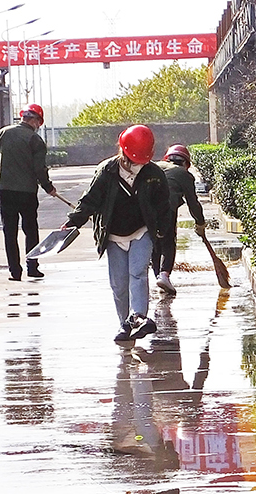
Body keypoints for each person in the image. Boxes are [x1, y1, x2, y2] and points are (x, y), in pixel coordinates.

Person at [64, 124, 172, 344]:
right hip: (113, 235)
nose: (137, 165)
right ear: (123, 152)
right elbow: (90, 200)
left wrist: (161, 231)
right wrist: (73, 221)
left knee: (138, 273)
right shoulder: (107, 171)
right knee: (119, 284)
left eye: (142, 161)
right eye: (134, 160)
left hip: (142, 231)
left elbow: (164, 205)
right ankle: (125, 324)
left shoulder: (154, 174)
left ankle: (139, 316)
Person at [0, 103, 57, 281]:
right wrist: (48, 187)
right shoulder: (35, 140)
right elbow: (39, 169)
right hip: (26, 191)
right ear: (36, 121)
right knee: (30, 229)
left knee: (9, 230)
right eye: (39, 122)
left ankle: (15, 271)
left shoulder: (4, 133)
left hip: (4, 189)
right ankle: (32, 267)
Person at [152, 144, 206, 296]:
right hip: (167, 208)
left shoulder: (155, 167)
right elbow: (193, 202)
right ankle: (164, 274)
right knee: (169, 241)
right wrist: (200, 222)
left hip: (145, 209)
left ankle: (157, 275)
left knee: (155, 242)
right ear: (186, 163)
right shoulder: (184, 174)